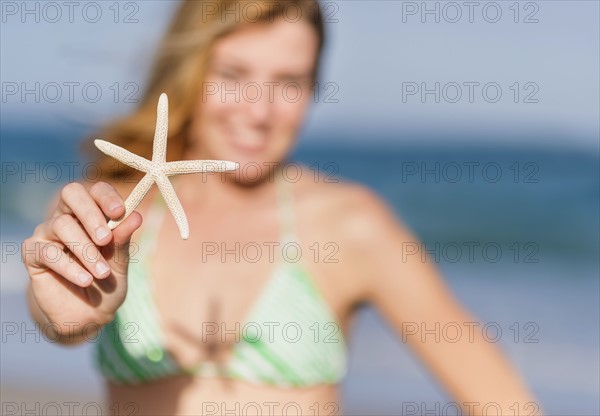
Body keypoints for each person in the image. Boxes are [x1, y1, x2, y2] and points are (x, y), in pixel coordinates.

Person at [22, 1, 540, 414]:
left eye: (289, 82)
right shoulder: (108, 209)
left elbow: (504, 403)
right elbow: (60, 320)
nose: (259, 110)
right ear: (189, 71)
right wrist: (67, 318)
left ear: (314, 88)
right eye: (234, 72)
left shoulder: (349, 224)